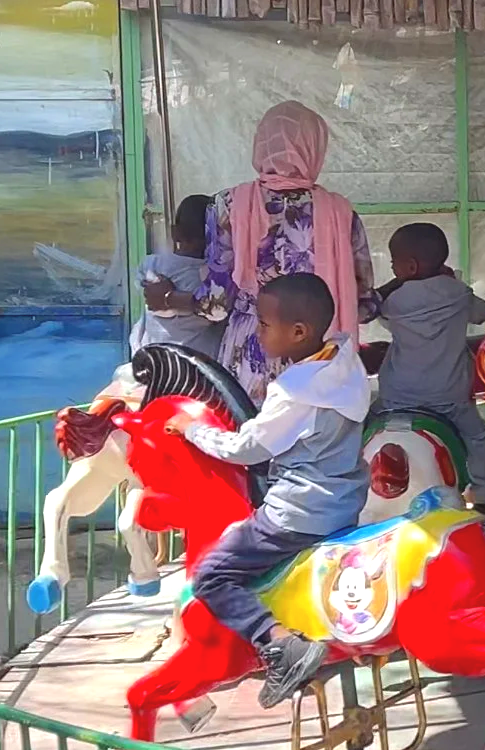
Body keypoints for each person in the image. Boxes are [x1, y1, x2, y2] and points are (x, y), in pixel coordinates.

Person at [172, 273, 372, 707]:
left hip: (296, 513)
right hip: (344, 505)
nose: (258, 332)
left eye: (263, 324)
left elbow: (247, 448)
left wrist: (194, 431)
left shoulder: (296, 392)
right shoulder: (342, 362)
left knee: (212, 573)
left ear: (298, 332)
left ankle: (280, 642)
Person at [144, 102, 378, 400]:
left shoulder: (229, 205)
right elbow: (364, 305)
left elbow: (215, 306)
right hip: (320, 354)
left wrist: (167, 298)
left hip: (251, 351)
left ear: (261, 144)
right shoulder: (341, 212)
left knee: (252, 437)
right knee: (315, 439)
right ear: (315, 147)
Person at [366, 222, 485, 501]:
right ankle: (482, 495)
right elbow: (481, 313)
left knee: (359, 429)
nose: (393, 269)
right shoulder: (459, 294)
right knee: (478, 439)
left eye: (393, 264)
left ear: (410, 267)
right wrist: (454, 282)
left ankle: (350, 485)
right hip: (449, 397)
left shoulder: (395, 303)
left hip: (397, 396)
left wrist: (398, 283)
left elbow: (374, 305)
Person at [133, 194, 220, 357]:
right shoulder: (211, 278)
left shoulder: (152, 264)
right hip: (196, 364)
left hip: (153, 357)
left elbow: (140, 285)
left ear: (175, 233)